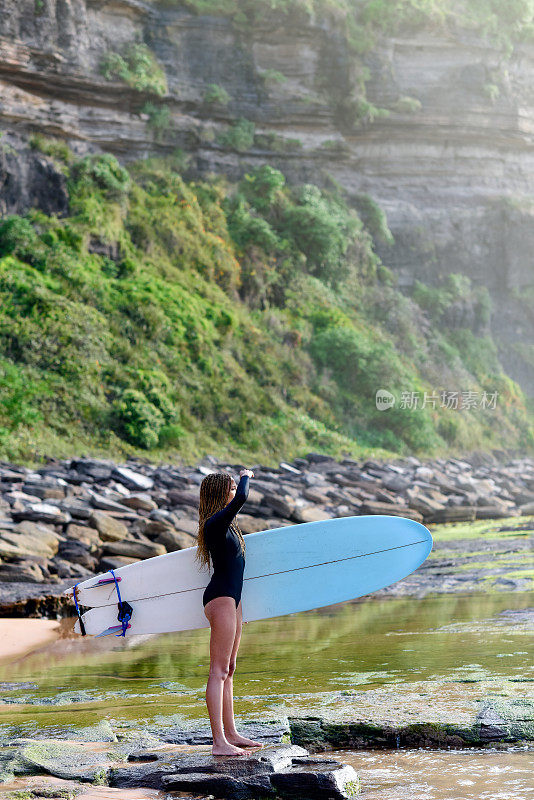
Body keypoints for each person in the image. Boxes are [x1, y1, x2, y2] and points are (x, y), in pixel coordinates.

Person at [195, 468, 263, 756]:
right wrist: (246, 475)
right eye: (231, 487)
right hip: (220, 599)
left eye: (236, 486)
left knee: (230, 669)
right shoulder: (215, 523)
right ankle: (218, 742)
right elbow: (244, 497)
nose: (236, 491)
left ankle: (231, 733)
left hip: (233, 601)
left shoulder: (227, 524)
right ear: (220, 493)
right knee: (218, 670)